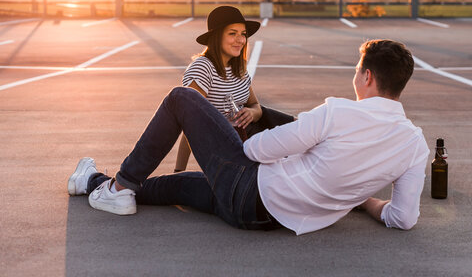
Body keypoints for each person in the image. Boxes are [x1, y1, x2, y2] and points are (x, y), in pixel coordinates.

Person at [68, 39, 429, 235]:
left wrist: (233, 128)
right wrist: (363, 200)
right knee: (173, 187)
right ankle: (93, 182)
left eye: (356, 72)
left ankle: (118, 187)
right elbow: (402, 218)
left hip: (250, 189)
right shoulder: (415, 145)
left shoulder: (338, 111)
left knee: (183, 98)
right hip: (259, 218)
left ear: (367, 77)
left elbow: (257, 149)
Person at [174, 5, 294, 172]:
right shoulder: (203, 67)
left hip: (248, 136)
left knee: (297, 129)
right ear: (216, 36)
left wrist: (251, 113)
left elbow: (256, 106)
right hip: (225, 147)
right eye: (232, 33)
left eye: (243, 34)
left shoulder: (238, 67)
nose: (240, 40)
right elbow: (190, 125)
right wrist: (179, 171)